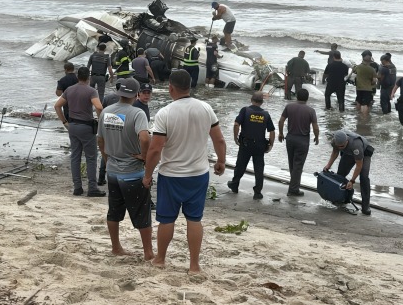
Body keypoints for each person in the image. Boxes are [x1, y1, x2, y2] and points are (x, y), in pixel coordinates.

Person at [142, 69, 227, 273]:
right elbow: (219, 139)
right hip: (198, 174)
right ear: (190, 86)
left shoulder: (165, 113)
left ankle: (161, 258)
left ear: (170, 88)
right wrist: (221, 161)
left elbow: (155, 149)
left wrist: (147, 175)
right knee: (194, 219)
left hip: (171, 174)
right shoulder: (206, 108)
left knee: (166, 219)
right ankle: (194, 265)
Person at [97, 78, 154, 260]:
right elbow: (145, 138)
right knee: (141, 214)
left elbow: (100, 139)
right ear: (136, 94)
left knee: (114, 211)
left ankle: (116, 247)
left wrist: (107, 159)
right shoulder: (137, 113)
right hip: (132, 172)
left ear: (119, 92)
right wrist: (144, 157)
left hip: (112, 170)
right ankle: (148, 252)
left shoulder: (106, 112)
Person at [55, 66, 105, 197]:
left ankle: (77, 187)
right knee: (91, 158)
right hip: (86, 127)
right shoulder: (91, 91)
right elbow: (99, 106)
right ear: (88, 77)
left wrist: (64, 122)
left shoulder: (70, 90)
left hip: (72, 125)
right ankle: (92, 188)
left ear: (78, 77)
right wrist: (100, 121)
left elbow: (57, 105)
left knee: (75, 157)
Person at [228, 92, 275, 200]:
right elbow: (272, 131)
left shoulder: (245, 110)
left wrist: (235, 138)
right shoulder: (266, 114)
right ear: (262, 102)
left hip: (246, 144)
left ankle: (234, 185)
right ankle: (257, 192)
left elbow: (236, 124)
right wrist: (270, 145)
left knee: (240, 165)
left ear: (251, 100)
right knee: (259, 168)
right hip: (259, 145)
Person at [323, 130, 374, 216]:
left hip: (363, 153)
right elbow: (335, 152)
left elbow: (359, 165)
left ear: (347, 141)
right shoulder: (335, 142)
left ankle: (365, 206)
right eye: (338, 146)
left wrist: (352, 181)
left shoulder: (356, 145)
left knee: (364, 177)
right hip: (348, 153)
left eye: (342, 146)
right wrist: (328, 165)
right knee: (340, 174)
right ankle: (340, 199)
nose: (340, 148)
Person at [278, 88, 319, 196]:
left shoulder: (289, 107)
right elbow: (315, 127)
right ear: (307, 98)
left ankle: (294, 186)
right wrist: (317, 137)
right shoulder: (311, 111)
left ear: (297, 96)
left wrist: (281, 133)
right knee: (298, 165)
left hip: (290, 138)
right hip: (302, 140)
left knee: (292, 164)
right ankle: (293, 189)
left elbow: (281, 120)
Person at [352, 50, 378, 117]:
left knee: (358, 102)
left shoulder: (358, 67)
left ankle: (358, 116)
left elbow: (354, 71)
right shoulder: (372, 69)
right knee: (365, 104)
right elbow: (374, 81)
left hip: (359, 88)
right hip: (368, 89)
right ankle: (364, 118)